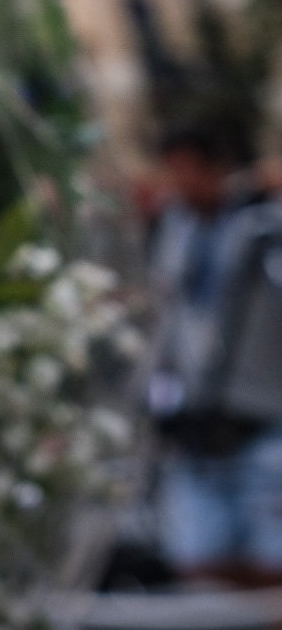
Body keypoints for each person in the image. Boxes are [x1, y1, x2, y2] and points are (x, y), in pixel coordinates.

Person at [148, 119, 282, 586]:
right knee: (197, 561)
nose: (181, 183)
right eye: (173, 171)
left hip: (264, 416)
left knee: (272, 563)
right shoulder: (176, 228)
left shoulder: (265, 224)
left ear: (219, 168)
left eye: (190, 170)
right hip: (198, 422)